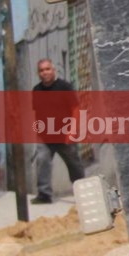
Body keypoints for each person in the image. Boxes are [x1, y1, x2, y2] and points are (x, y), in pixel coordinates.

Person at [32, 58, 86, 203]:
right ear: (38, 73)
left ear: (53, 70)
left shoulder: (64, 87)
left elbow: (76, 109)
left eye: (47, 69)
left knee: (74, 164)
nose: (45, 73)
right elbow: (37, 113)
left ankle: (82, 191)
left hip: (65, 135)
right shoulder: (36, 90)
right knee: (42, 160)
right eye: (41, 70)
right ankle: (44, 194)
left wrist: (73, 131)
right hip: (45, 137)